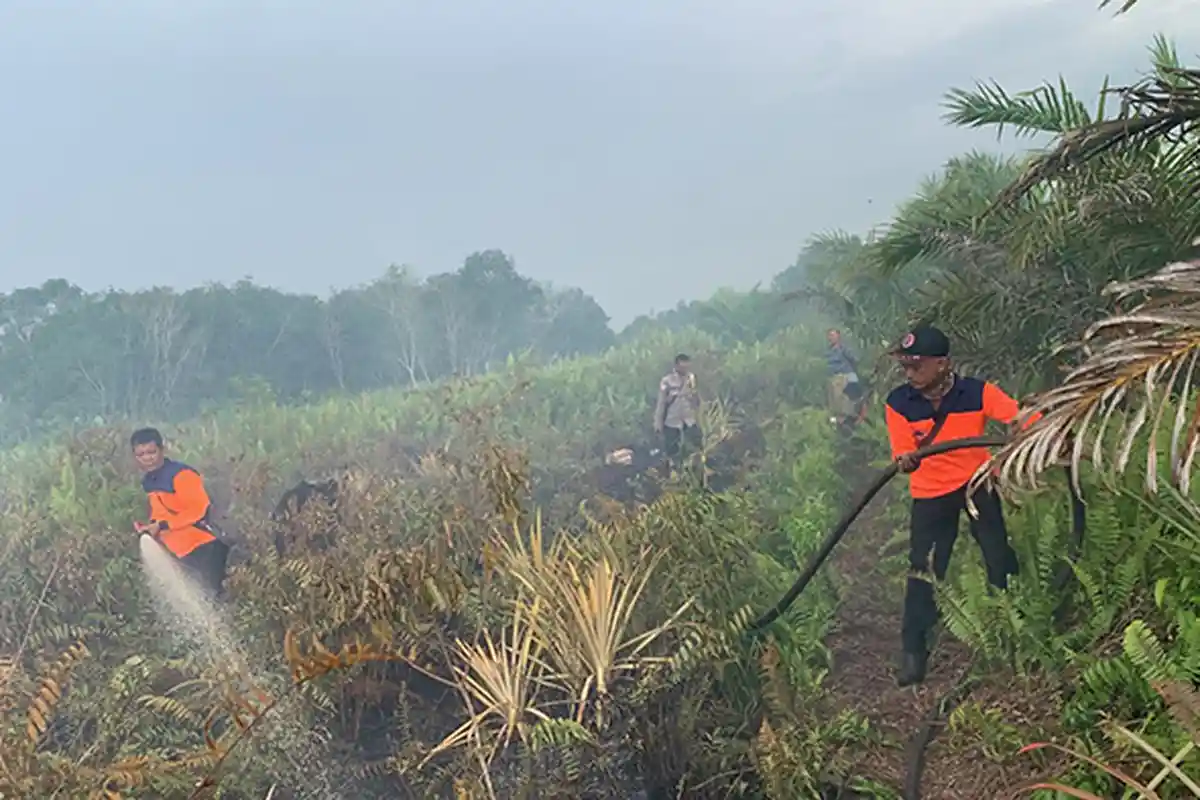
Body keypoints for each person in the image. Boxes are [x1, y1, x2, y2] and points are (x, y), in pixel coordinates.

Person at [884, 325, 1036, 687]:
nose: (909, 373)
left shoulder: (977, 392)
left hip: (977, 486)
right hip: (930, 493)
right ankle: (914, 649)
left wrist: (1037, 429)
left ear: (942, 364)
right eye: (905, 366)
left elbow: (1019, 416)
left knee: (997, 554)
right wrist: (905, 458)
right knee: (924, 569)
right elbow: (902, 448)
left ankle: (1013, 628)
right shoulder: (898, 403)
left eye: (917, 366)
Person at [131, 427, 230, 599]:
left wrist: (162, 525)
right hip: (180, 553)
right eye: (141, 454)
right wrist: (150, 527)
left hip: (204, 548)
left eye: (151, 452)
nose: (147, 458)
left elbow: (198, 510)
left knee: (214, 597)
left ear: (162, 449)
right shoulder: (149, 481)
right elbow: (160, 512)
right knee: (193, 597)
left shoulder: (182, 474)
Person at [653, 353, 702, 468]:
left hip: (689, 419)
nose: (685, 370)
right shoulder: (667, 381)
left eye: (687, 367)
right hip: (672, 420)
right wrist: (658, 423)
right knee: (672, 450)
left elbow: (696, 400)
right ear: (676, 366)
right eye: (682, 367)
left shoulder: (691, 379)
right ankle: (674, 471)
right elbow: (661, 403)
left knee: (695, 446)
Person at [826, 328, 863, 425]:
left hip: (844, 375)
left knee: (842, 396)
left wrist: (853, 374)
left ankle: (847, 417)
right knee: (832, 397)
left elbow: (854, 359)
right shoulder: (828, 351)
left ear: (838, 336)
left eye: (833, 335)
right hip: (833, 376)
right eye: (829, 335)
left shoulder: (843, 349)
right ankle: (836, 418)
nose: (831, 337)